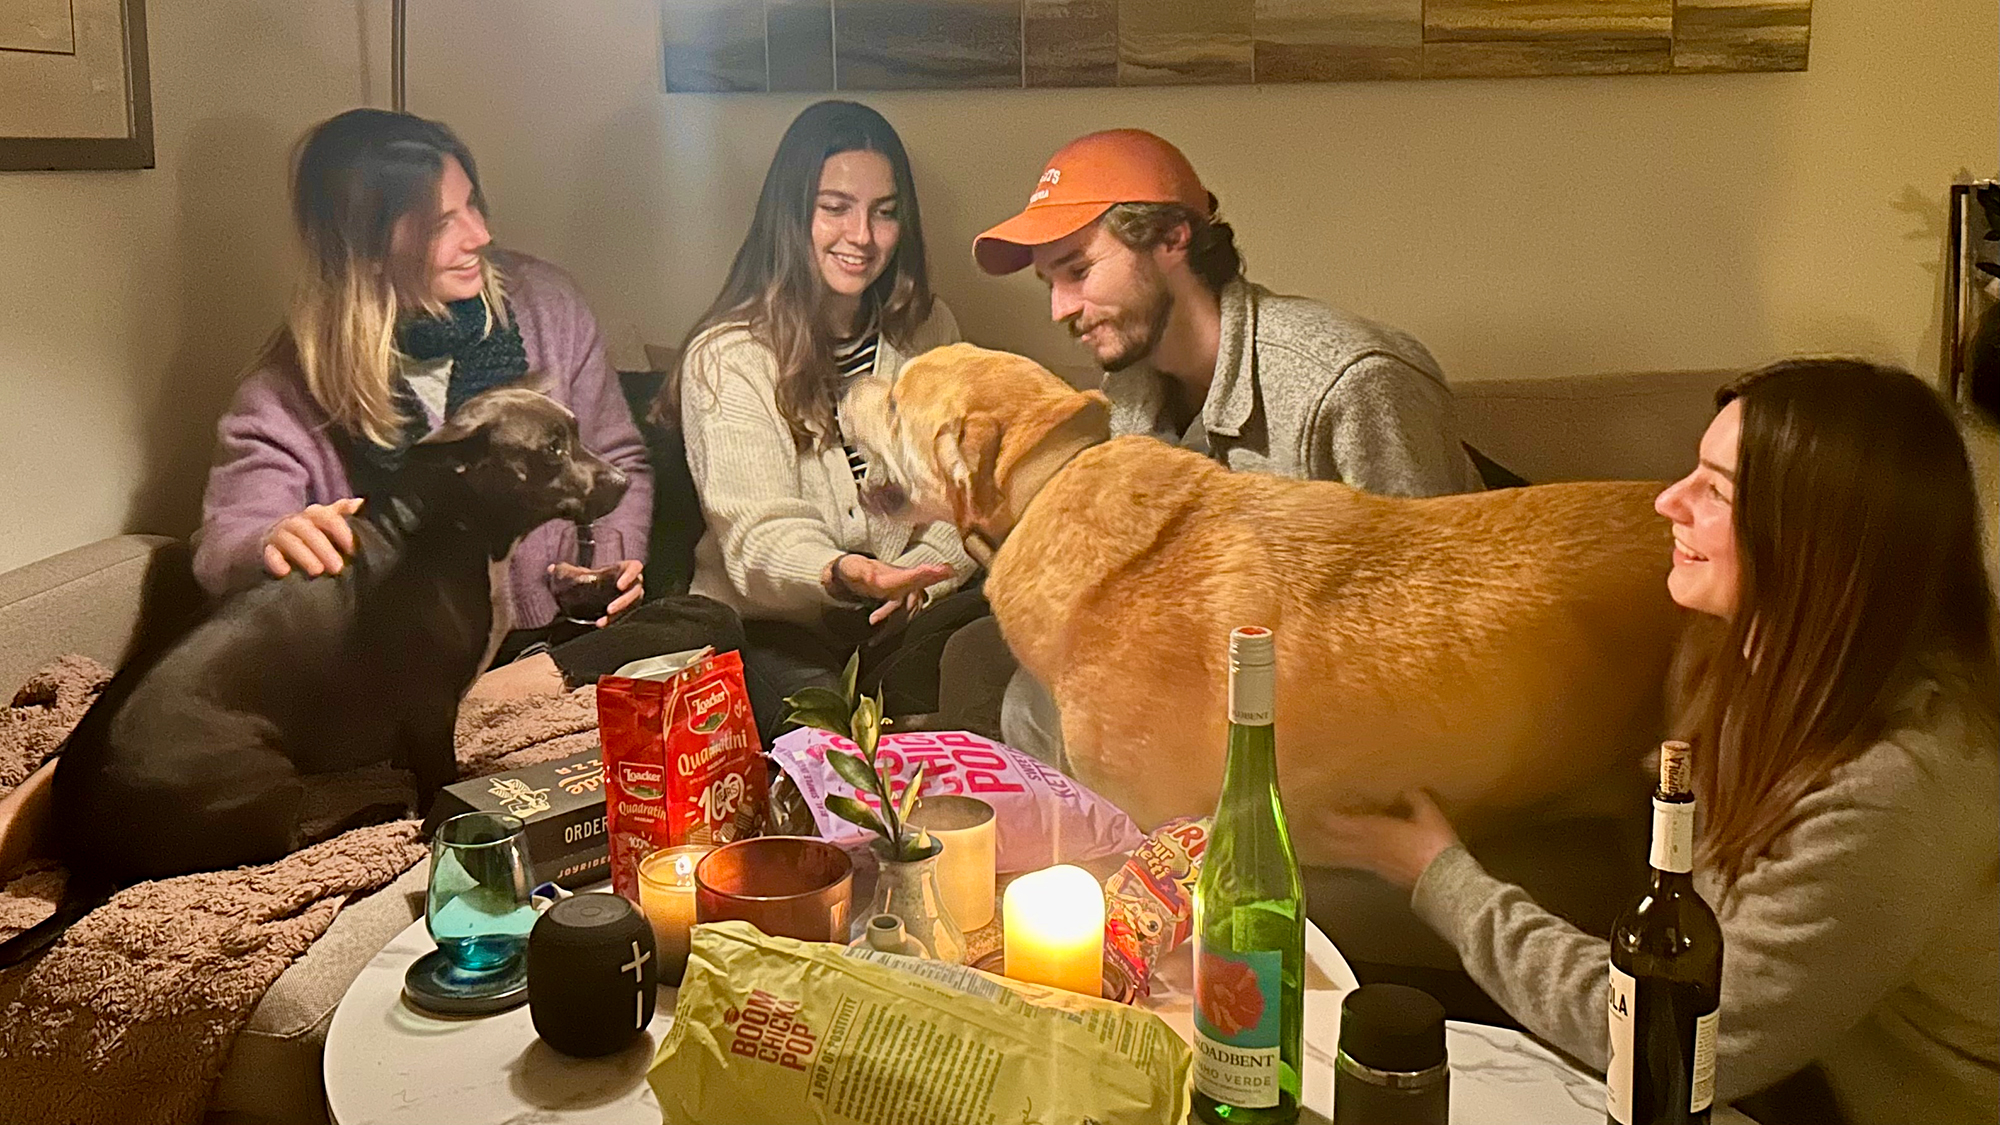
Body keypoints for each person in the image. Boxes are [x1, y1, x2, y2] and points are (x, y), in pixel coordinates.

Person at [1316, 359, 2000, 1125]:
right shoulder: (1737, 654)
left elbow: (1676, 1028)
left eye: (1716, 490)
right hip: (1782, 1062)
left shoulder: (1903, 789)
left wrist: (1440, 877)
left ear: (1813, 540)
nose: (1667, 501)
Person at [973, 127, 1484, 761]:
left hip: (1347, 708)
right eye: (1048, 282)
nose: (1059, 308)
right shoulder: (1129, 387)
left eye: (1078, 270)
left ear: (1172, 238)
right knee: (1013, 682)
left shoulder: (1351, 383)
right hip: (1223, 678)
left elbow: (1437, 629)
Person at [194, 108, 738, 698]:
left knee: (707, 621)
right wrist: (271, 539)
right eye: (441, 223)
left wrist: (605, 563)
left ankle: (493, 695)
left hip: (553, 633)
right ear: (367, 246)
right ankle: (475, 702)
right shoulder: (289, 385)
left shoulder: (547, 306)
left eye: (474, 204)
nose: (479, 235)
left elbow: (618, 457)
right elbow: (227, 537)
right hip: (402, 654)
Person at [663, 100, 982, 734]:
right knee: (832, 744)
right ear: (791, 213)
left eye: (884, 213)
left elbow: (962, 491)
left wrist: (926, 578)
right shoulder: (730, 356)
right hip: (773, 626)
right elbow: (756, 537)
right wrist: (847, 574)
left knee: (994, 667)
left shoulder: (929, 330)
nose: (861, 236)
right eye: (834, 208)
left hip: (906, 609)